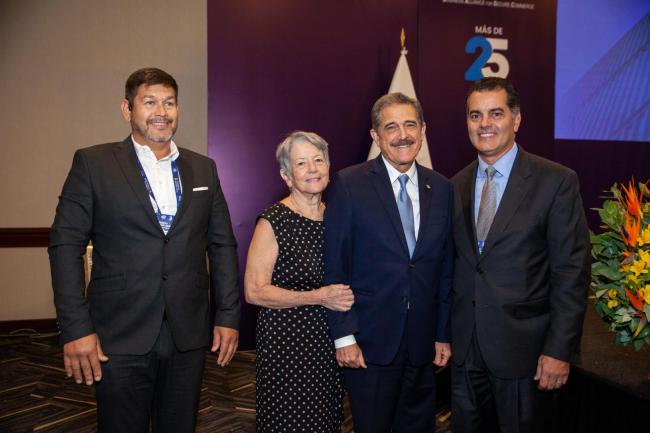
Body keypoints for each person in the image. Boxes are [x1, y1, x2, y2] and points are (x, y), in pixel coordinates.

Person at [48, 67, 240, 433]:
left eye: (169, 103)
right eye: (149, 102)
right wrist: (75, 328)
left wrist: (228, 315)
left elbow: (222, 245)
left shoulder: (204, 169)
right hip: (118, 332)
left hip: (187, 333)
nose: (161, 112)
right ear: (127, 109)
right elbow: (64, 246)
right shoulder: (93, 164)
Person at [450, 77, 590, 433]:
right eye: (475, 115)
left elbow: (571, 273)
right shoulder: (454, 186)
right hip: (466, 353)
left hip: (526, 355)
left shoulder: (556, 182)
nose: (484, 124)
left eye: (495, 113)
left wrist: (559, 350)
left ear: (516, 119)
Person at [324, 93, 454, 433]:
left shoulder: (442, 188)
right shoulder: (349, 184)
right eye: (391, 127)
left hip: (423, 344)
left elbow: (444, 269)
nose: (403, 135)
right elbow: (335, 266)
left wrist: (442, 333)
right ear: (376, 136)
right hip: (369, 342)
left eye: (410, 125)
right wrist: (344, 337)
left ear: (423, 130)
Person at [244, 131, 353, 432]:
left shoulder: (337, 218)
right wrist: (318, 296)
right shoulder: (273, 220)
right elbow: (254, 292)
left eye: (318, 160)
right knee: (289, 420)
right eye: (302, 163)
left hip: (329, 342)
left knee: (326, 419)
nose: (313, 169)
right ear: (286, 175)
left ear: (328, 167)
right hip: (287, 346)